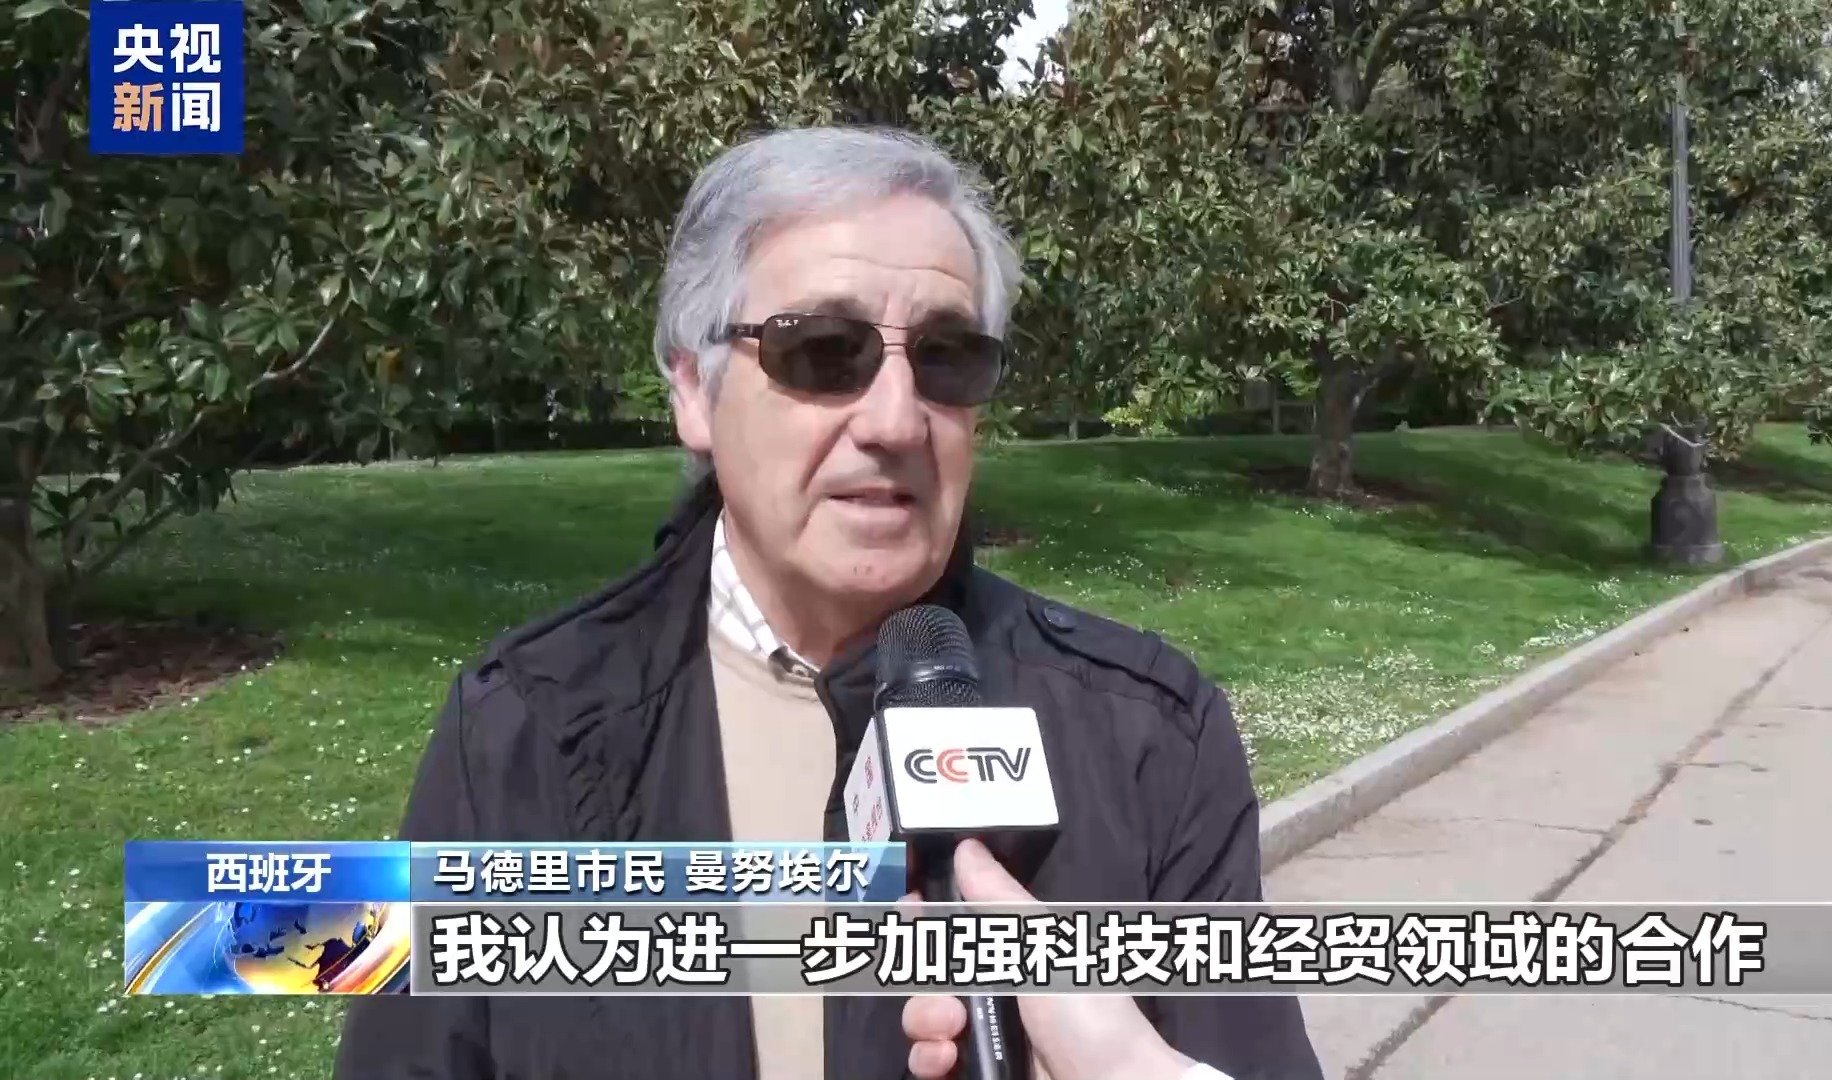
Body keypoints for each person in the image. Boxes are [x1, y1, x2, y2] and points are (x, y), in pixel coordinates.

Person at [334, 125, 1321, 1080]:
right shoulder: (516, 727)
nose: (895, 420)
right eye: (822, 350)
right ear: (693, 390)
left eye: (944, 356)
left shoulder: (1152, 735)